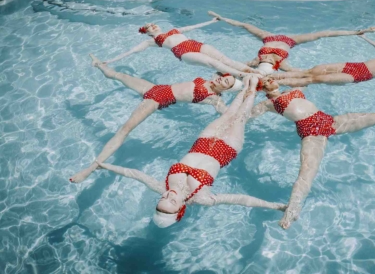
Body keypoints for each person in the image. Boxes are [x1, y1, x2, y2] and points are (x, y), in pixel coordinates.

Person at [251, 78, 375, 229]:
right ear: (262, 89)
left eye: (270, 78)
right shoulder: (268, 104)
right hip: (311, 132)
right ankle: (292, 210)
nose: (269, 80)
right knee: (307, 173)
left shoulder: (295, 89)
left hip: (331, 121)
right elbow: (246, 116)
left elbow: (305, 77)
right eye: (265, 82)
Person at [96, 76, 287, 228]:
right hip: (225, 150)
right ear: (180, 209)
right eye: (170, 202)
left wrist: (103, 165)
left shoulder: (162, 187)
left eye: (162, 200)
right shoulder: (200, 198)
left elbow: (134, 174)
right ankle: (253, 88)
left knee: (229, 114)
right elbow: (239, 199)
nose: (167, 196)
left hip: (202, 143)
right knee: (240, 119)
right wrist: (274, 206)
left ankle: (248, 83)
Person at [69, 54, 244, 183]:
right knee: (118, 75)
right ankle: (99, 64)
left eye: (225, 83)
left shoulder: (214, 98)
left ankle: (91, 168)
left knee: (124, 130)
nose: (221, 80)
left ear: (226, 90)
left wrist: (243, 105)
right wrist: (247, 73)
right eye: (223, 78)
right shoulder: (212, 79)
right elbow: (224, 65)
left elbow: (228, 114)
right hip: (155, 88)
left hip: (156, 99)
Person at [270, 35, 375, 110]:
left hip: (355, 75)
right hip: (350, 65)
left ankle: (275, 82)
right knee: (312, 70)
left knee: (313, 79)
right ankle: (273, 77)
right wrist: (363, 36)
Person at [208, 11, 375, 75]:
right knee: (319, 35)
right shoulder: (282, 64)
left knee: (246, 25)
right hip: (289, 41)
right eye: (267, 62)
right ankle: (355, 31)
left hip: (268, 37)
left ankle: (221, 16)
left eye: (263, 61)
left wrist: (221, 18)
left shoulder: (256, 61)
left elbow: (230, 64)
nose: (265, 60)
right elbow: (305, 72)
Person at [104, 18, 259, 78]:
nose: (152, 26)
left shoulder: (173, 29)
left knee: (225, 60)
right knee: (215, 64)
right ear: (147, 33)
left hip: (195, 44)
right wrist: (109, 61)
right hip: (184, 52)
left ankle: (251, 71)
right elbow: (131, 51)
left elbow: (192, 26)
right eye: (149, 27)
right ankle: (242, 75)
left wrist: (211, 21)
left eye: (152, 24)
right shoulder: (153, 41)